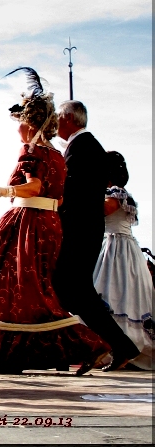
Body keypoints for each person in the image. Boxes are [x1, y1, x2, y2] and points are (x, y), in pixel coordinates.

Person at [0, 68, 109, 374]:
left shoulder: (30, 150)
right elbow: (54, 197)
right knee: (30, 292)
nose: (17, 129)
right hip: (47, 224)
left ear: (30, 125)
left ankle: (86, 343)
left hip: (28, 224)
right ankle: (17, 354)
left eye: (20, 124)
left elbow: (34, 188)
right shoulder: (57, 155)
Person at [52, 100, 141, 371]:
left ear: (68, 118)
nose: (55, 123)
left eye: (58, 117)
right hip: (87, 233)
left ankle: (87, 347)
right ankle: (114, 345)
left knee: (68, 292)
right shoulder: (88, 147)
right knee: (76, 294)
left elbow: (73, 195)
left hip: (78, 233)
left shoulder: (83, 149)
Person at [93, 152, 153, 370]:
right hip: (125, 248)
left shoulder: (114, 193)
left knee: (112, 293)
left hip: (115, 248)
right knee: (124, 294)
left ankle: (118, 348)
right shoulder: (121, 194)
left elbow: (105, 209)